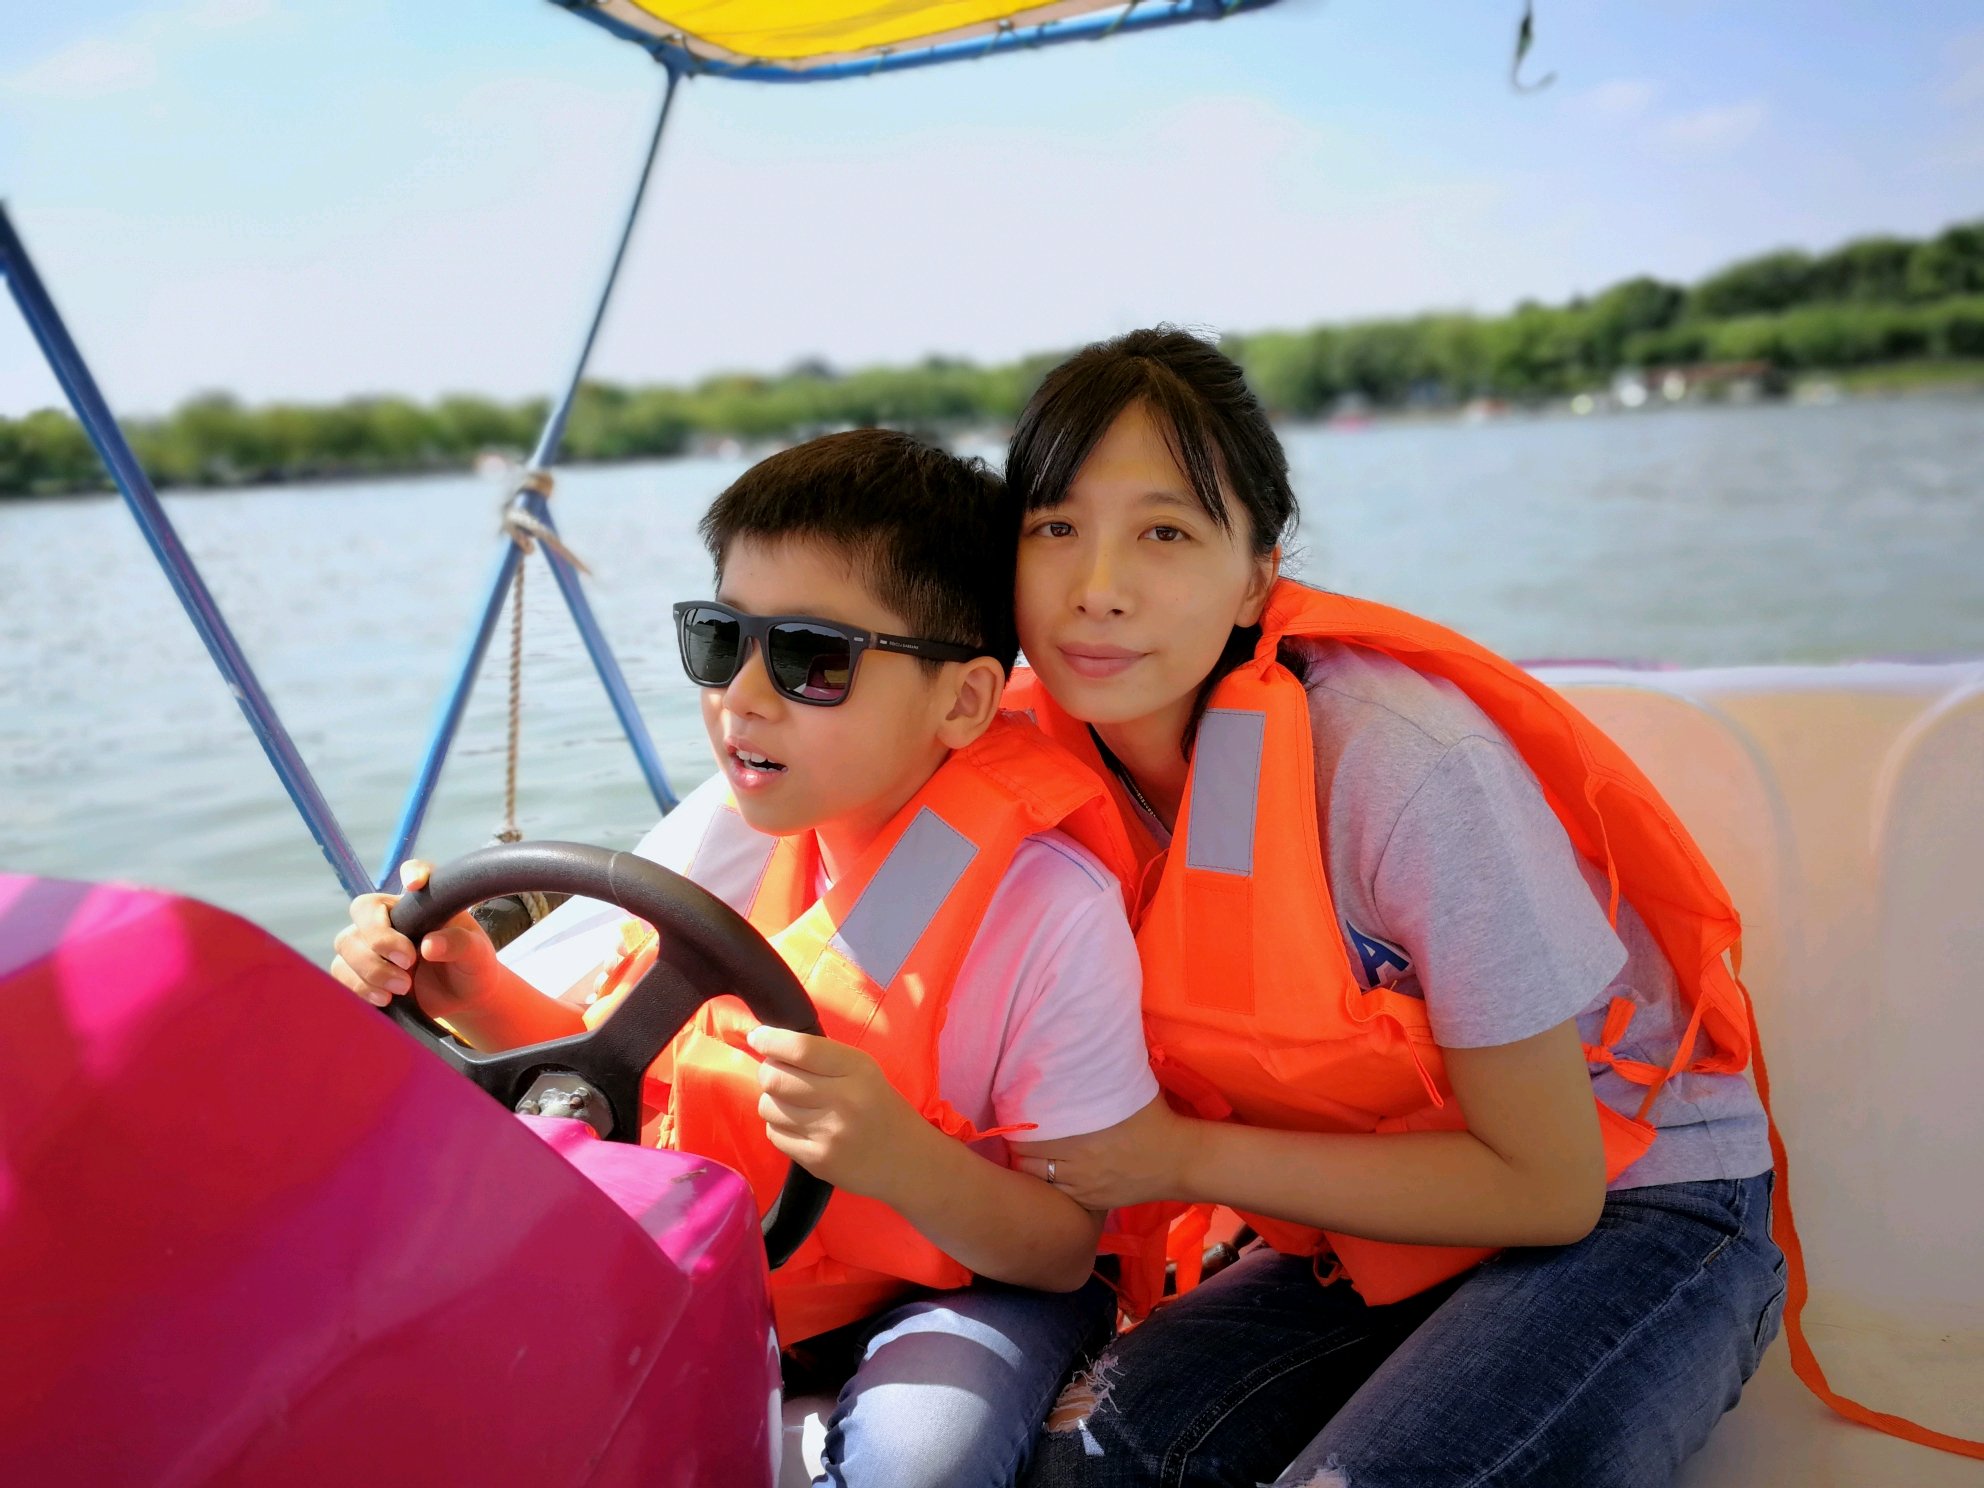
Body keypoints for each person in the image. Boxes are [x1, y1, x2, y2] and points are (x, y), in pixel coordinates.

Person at [1001, 329, 1787, 1488]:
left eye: (1164, 532)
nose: (1096, 589)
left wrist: (1177, 1157)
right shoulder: (1032, 769)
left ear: (1256, 575)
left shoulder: (1397, 764)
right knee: (1081, 1462)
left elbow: (1548, 1187)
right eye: (1054, 528)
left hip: (1637, 1206)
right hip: (1371, 1233)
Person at [331, 429, 1159, 1488]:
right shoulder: (719, 835)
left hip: (965, 1291)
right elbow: (632, 1075)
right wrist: (478, 994)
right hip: (736, 1252)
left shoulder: (1051, 909)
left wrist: (900, 1160)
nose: (744, 697)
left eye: (813, 658)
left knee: (919, 1461)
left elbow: (1063, 1248)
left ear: (961, 700)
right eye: (722, 640)